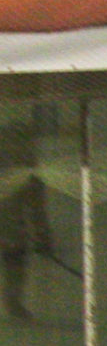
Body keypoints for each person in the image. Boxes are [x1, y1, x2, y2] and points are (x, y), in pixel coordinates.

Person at [0, 105, 54, 320]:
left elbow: (37, 205)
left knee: (15, 265)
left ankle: (13, 303)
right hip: (11, 226)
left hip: (13, 228)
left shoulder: (30, 168)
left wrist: (42, 235)